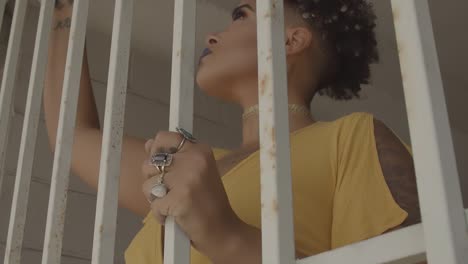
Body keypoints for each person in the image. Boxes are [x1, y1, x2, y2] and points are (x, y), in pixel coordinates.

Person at [45, 0, 421, 263]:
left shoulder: (351, 138)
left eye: (241, 14)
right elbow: (72, 134)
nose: (210, 36)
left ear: (292, 41)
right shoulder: (192, 172)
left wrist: (225, 235)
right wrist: (65, 10)